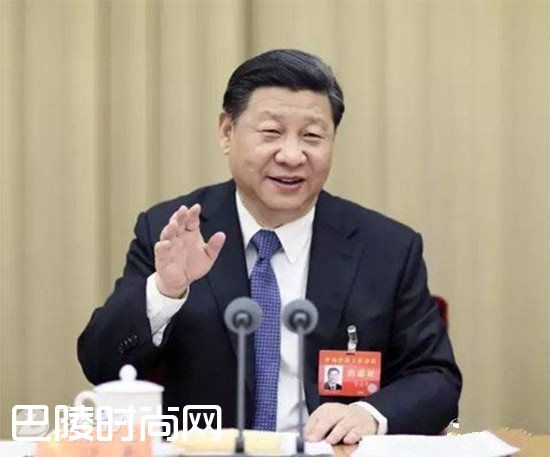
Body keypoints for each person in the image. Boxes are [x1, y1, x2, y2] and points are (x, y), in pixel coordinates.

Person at [78, 49, 462, 443]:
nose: (292, 156)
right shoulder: (172, 231)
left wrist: (368, 414)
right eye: (271, 132)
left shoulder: (386, 248)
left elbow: (436, 378)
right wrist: (165, 291)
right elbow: (101, 364)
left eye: (312, 136)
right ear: (226, 132)